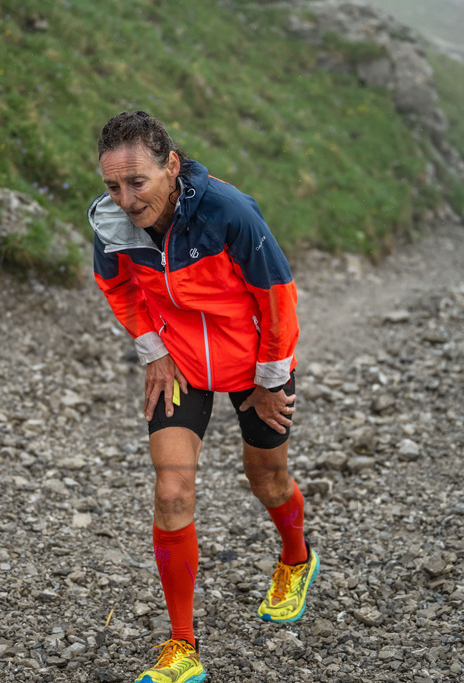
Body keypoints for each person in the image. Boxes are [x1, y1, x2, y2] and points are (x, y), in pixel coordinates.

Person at [89, 111, 319, 682]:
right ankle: (182, 646)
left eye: (136, 182)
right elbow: (116, 284)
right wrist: (152, 350)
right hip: (181, 366)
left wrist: (268, 383)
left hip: (254, 365)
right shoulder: (114, 223)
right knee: (171, 492)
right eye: (112, 185)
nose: (124, 199)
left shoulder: (228, 212)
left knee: (266, 478)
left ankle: (296, 558)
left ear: (171, 166)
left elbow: (277, 299)